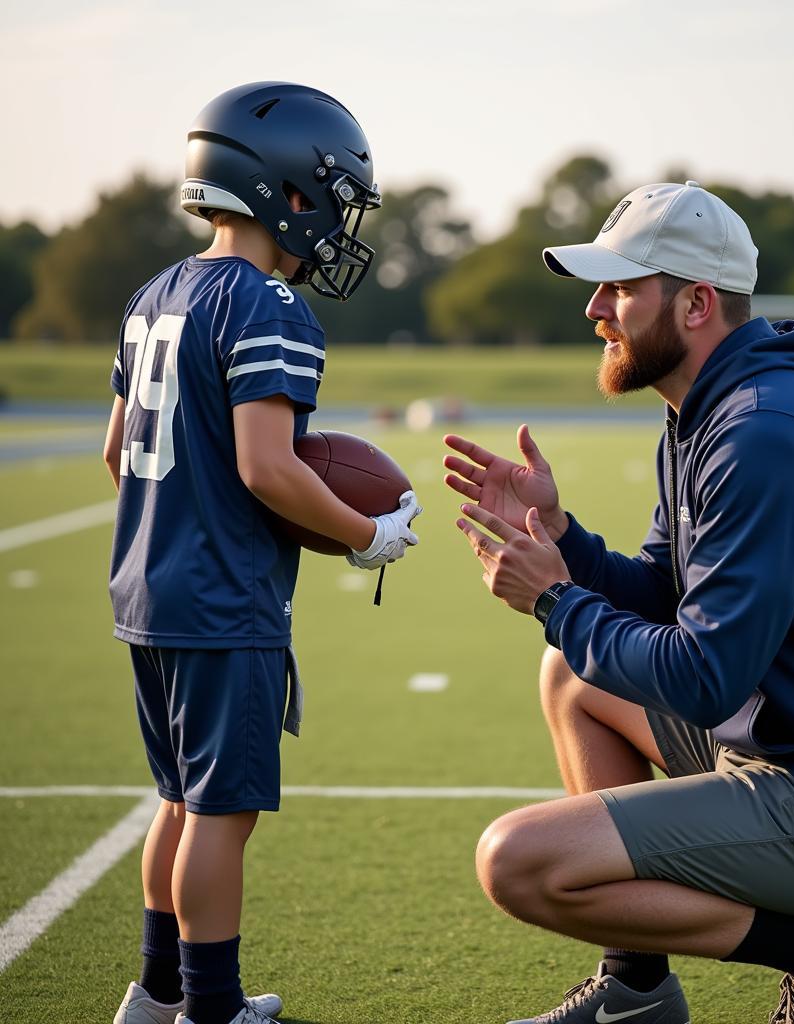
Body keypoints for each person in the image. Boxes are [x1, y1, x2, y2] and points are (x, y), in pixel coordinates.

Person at [444, 182, 794, 1024]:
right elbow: (660, 595)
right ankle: (635, 990)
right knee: (571, 677)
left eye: (620, 287)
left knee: (517, 861)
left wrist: (554, 598)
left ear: (695, 303)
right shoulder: (705, 414)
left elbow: (703, 677)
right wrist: (565, 539)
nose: (596, 310)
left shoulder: (765, 432)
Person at [103, 82, 421, 1024]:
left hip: (146, 592)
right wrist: (366, 536)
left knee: (176, 800)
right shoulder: (267, 302)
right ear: (290, 190)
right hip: (221, 601)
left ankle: (157, 998)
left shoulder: (155, 292)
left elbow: (117, 452)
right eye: (338, 195)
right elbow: (269, 467)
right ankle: (212, 1008)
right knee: (220, 813)